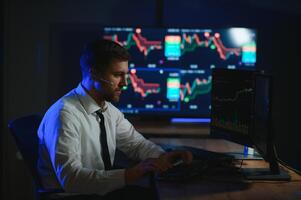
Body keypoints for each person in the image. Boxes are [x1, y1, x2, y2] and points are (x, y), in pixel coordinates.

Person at [37, 39, 193, 199]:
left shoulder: (108, 110)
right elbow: (71, 179)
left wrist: (163, 157)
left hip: (99, 192)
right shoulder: (64, 115)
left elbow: (136, 145)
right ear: (94, 73)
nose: (125, 83)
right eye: (117, 75)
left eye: (125, 75)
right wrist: (132, 173)